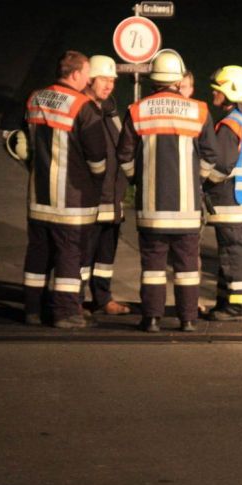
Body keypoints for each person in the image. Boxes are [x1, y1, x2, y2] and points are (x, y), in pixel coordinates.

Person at [116, 49, 229, 332]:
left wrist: (137, 179)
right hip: (187, 209)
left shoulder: (137, 110)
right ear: (179, 80)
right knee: (187, 266)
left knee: (153, 266)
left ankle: (152, 319)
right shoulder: (198, 110)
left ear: (154, 79)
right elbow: (212, 155)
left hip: (151, 208)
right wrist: (196, 179)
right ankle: (187, 319)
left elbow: (124, 156)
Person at [21, 51, 107, 329]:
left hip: (38, 196)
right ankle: (66, 313)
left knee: (38, 254)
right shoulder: (83, 106)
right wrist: (97, 180)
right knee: (69, 255)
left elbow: (23, 142)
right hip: (71, 200)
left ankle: (32, 310)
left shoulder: (35, 98)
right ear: (76, 74)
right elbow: (97, 157)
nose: (88, 79)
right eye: (87, 74)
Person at [203, 65, 242, 321]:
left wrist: (203, 182)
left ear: (231, 91)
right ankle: (225, 302)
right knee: (232, 255)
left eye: (216, 89)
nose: (213, 94)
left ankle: (237, 307)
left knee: (233, 254)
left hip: (230, 200)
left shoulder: (231, 125)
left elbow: (221, 166)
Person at [79, 55, 130, 316]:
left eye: (112, 80)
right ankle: (74, 300)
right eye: (103, 79)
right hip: (88, 199)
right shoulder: (81, 108)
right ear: (89, 79)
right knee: (82, 256)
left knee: (105, 257)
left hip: (112, 198)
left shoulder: (110, 110)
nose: (109, 85)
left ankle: (102, 298)